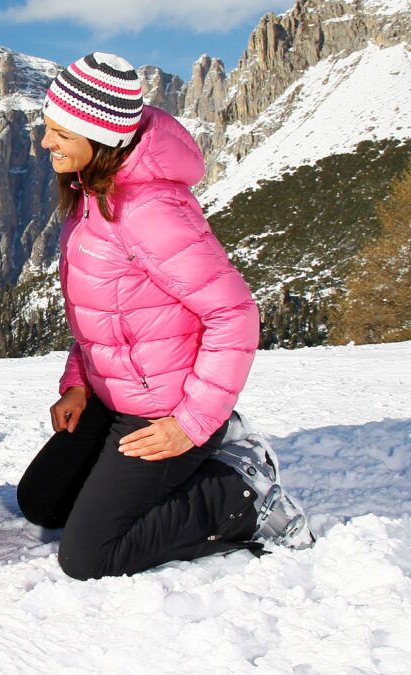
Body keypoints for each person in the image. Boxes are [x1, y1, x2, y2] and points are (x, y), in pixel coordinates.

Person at [16, 52, 314, 581]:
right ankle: (194, 457)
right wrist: (78, 383)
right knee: (41, 502)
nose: (45, 143)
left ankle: (238, 494)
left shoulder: (149, 211)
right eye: (47, 127)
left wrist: (190, 424)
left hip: (164, 408)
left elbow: (235, 315)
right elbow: (103, 313)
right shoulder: (92, 192)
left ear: (100, 134)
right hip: (113, 396)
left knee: (89, 556)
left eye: (59, 132)